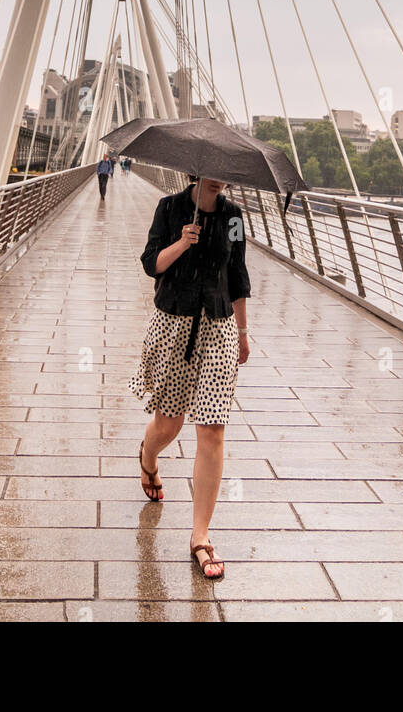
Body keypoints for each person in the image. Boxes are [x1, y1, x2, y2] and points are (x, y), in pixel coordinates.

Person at [128, 174, 251, 580]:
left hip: (218, 327)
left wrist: (243, 333)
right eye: (214, 171)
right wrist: (182, 242)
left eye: (226, 172)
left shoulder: (233, 217)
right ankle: (148, 455)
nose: (221, 179)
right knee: (170, 424)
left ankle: (200, 537)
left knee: (212, 430)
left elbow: (237, 274)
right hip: (173, 324)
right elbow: (151, 265)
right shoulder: (170, 208)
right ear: (196, 172)